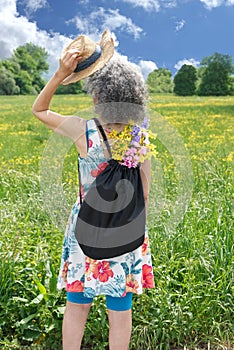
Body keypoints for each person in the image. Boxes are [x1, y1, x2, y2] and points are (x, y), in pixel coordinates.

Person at [32, 29, 155, 350]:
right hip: (126, 226)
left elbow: (39, 110)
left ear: (98, 96)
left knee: (77, 305)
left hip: (85, 225)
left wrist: (60, 75)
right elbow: (145, 189)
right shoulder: (140, 137)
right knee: (120, 310)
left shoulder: (82, 130)